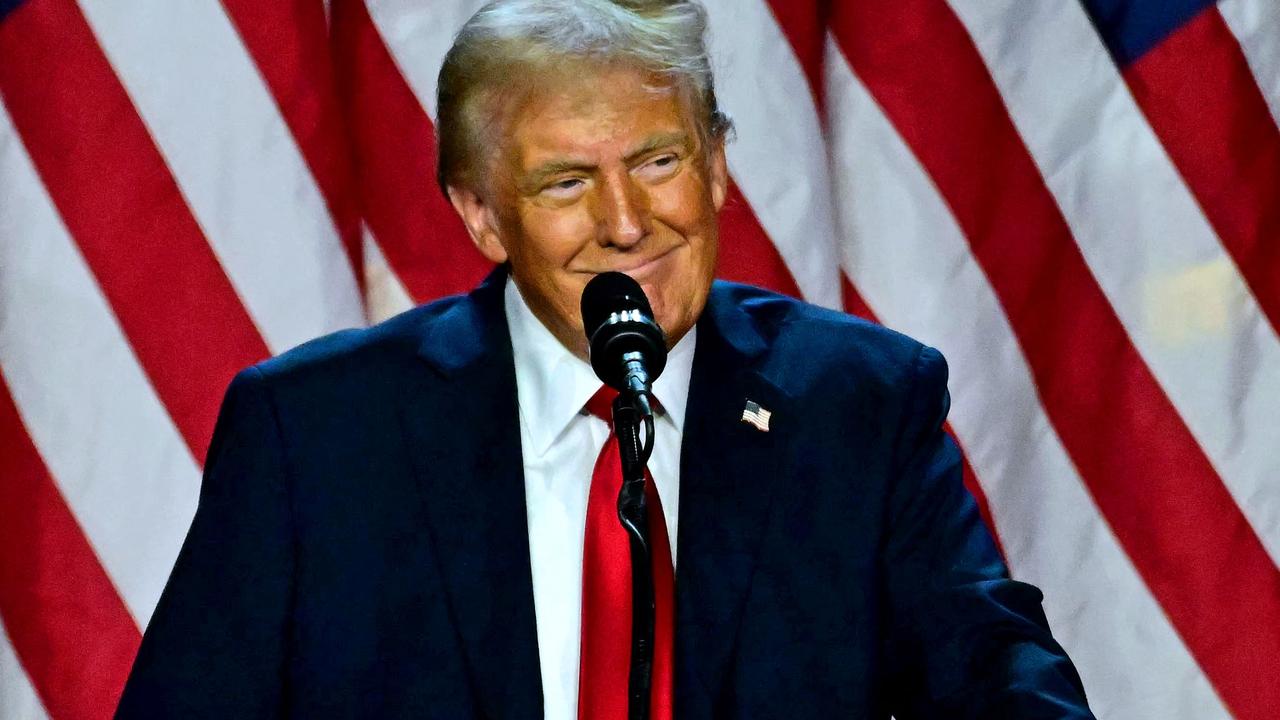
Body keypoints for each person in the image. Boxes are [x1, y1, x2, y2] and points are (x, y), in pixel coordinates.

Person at [115, 1, 1094, 718]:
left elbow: (994, 677)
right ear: (482, 215)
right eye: (566, 181)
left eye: (660, 162)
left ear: (716, 166)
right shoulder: (318, 436)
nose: (627, 223)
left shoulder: (856, 406)